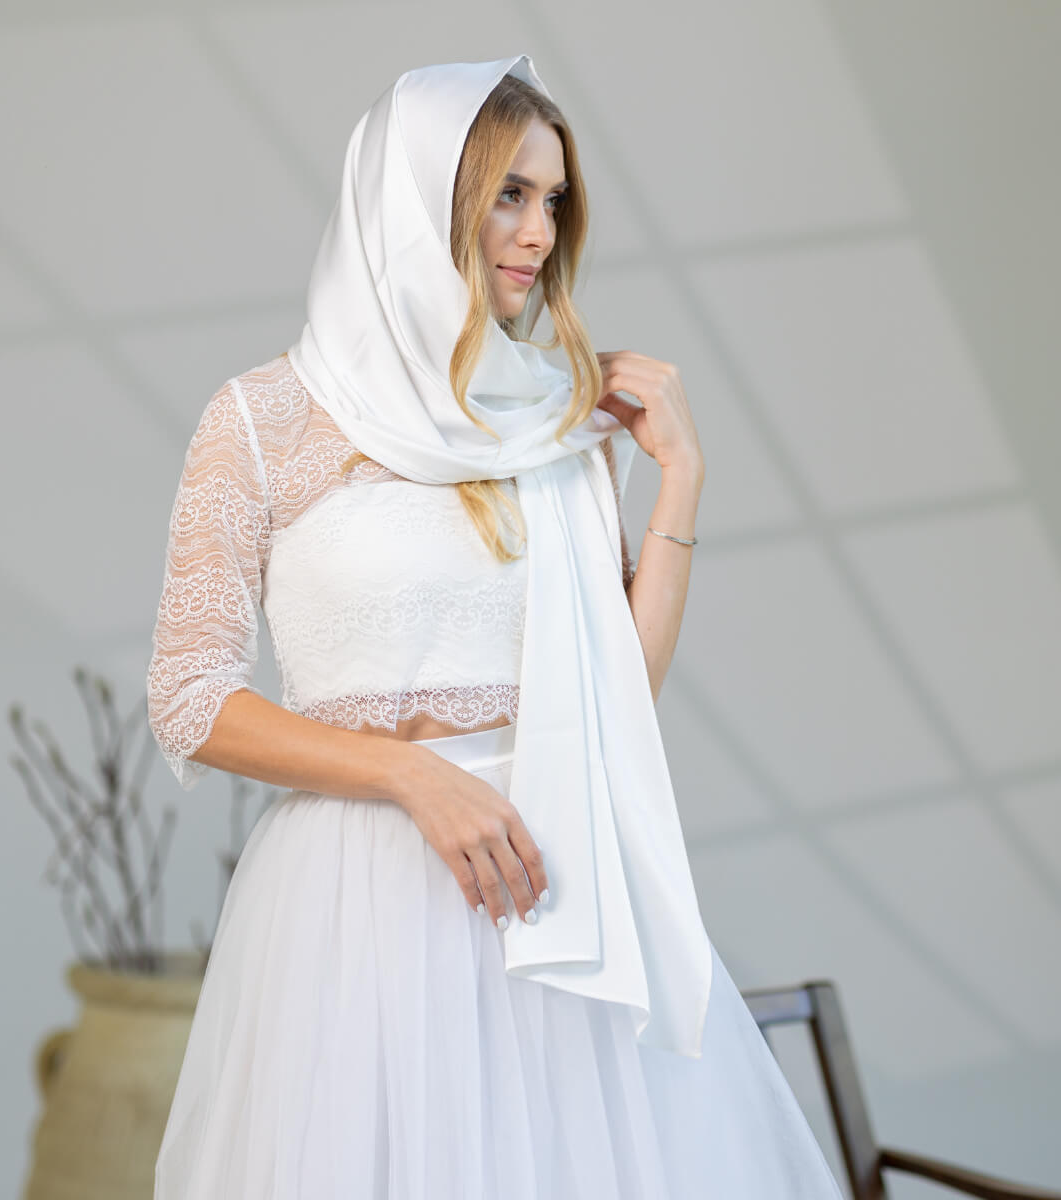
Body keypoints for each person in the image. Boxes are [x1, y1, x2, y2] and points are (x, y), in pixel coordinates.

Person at [147, 54, 845, 1199]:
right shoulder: (264, 420)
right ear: (418, 202)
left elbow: (621, 689)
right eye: (509, 195)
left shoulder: (554, 416)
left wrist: (680, 476)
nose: (537, 231)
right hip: (354, 901)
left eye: (554, 200)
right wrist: (414, 777)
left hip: (554, 887)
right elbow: (187, 695)